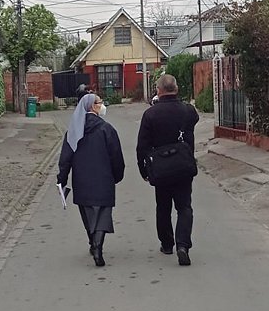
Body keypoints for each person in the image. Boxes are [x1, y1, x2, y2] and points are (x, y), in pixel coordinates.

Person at [136, 74, 199, 266]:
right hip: (183, 166)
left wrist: (144, 170)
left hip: (161, 168)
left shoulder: (150, 114)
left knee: (163, 206)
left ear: (158, 90)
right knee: (184, 207)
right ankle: (183, 245)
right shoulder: (188, 111)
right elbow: (194, 120)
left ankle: (166, 243)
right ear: (177, 89)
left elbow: (142, 146)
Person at [57, 93, 125, 267]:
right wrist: (117, 176)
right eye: (100, 102)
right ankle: (97, 246)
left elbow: (65, 159)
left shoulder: (73, 131)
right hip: (104, 179)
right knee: (103, 215)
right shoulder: (107, 129)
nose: (102, 105)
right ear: (93, 107)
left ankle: (92, 242)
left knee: (87, 214)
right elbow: (116, 156)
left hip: (82, 181)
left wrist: (62, 179)